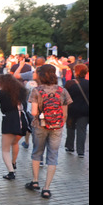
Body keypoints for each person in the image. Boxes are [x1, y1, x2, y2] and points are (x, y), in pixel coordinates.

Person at [27, 65, 72, 198]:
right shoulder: (62, 90)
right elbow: (64, 114)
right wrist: (58, 123)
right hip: (57, 126)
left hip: (40, 126)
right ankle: (46, 188)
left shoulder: (36, 90)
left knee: (37, 152)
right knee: (53, 155)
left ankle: (35, 181)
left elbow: (34, 112)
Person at [0, 73, 29, 180]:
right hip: (23, 120)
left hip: (10, 120)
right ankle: (13, 163)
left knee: (5, 149)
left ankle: (11, 172)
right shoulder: (21, 91)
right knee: (15, 142)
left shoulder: (3, 93)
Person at [64, 63, 89, 157]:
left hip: (71, 110)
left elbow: (64, 98)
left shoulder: (70, 83)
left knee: (70, 128)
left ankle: (70, 146)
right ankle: (81, 151)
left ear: (76, 72)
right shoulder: (88, 83)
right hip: (85, 111)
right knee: (82, 130)